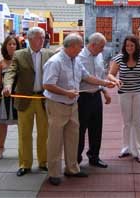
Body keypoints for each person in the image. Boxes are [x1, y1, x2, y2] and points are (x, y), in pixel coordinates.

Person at [43, 33, 115, 186]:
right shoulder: (55, 61)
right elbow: (48, 85)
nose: (82, 48)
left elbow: (87, 77)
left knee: (73, 138)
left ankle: (72, 168)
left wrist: (104, 84)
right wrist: (66, 92)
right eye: (80, 46)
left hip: (73, 105)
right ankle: (54, 172)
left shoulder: (75, 61)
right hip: (57, 105)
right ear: (72, 46)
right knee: (55, 141)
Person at [2, 27, 54, 176]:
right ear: (30, 39)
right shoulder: (19, 55)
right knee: (25, 133)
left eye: (43, 37)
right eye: (38, 37)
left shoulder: (50, 54)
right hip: (25, 99)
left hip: (44, 98)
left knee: (44, 133)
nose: (42, 40)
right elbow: (11, 72)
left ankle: (43, 162)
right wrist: (8, 85)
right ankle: (25, 164)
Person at [108, 35, 140, 163]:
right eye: (127, 45)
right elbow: (110, 74)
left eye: (132, 45)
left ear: (136, 46)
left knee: (138, 121)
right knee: (126, 121)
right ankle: (126, 147)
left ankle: (139, 150)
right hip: (124, 92)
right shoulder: (119, 58)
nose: (129, 48)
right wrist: (115, 80)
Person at [76, 32, 111, 168]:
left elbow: (100, 74)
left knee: (96, 128)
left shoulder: (99, 56)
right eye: (101, 46)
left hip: (96, 95)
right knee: (80, 130)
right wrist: (105, 83)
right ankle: (76, 160)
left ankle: (94, 156)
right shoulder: (79, 57)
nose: (103, 49)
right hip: (82, 96)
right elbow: (87, 77)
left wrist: (104, 91)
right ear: (92, 45)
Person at [0, 36, 20, 160]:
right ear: (5, 46)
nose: (12, 46)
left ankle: (22, 148)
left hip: (19, 96)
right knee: (2, 123)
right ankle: (1, 148)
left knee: (22, 123)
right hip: (4, 96)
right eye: (9, 44)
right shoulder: (1, 63)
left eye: (14, 44)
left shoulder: (21, 60)